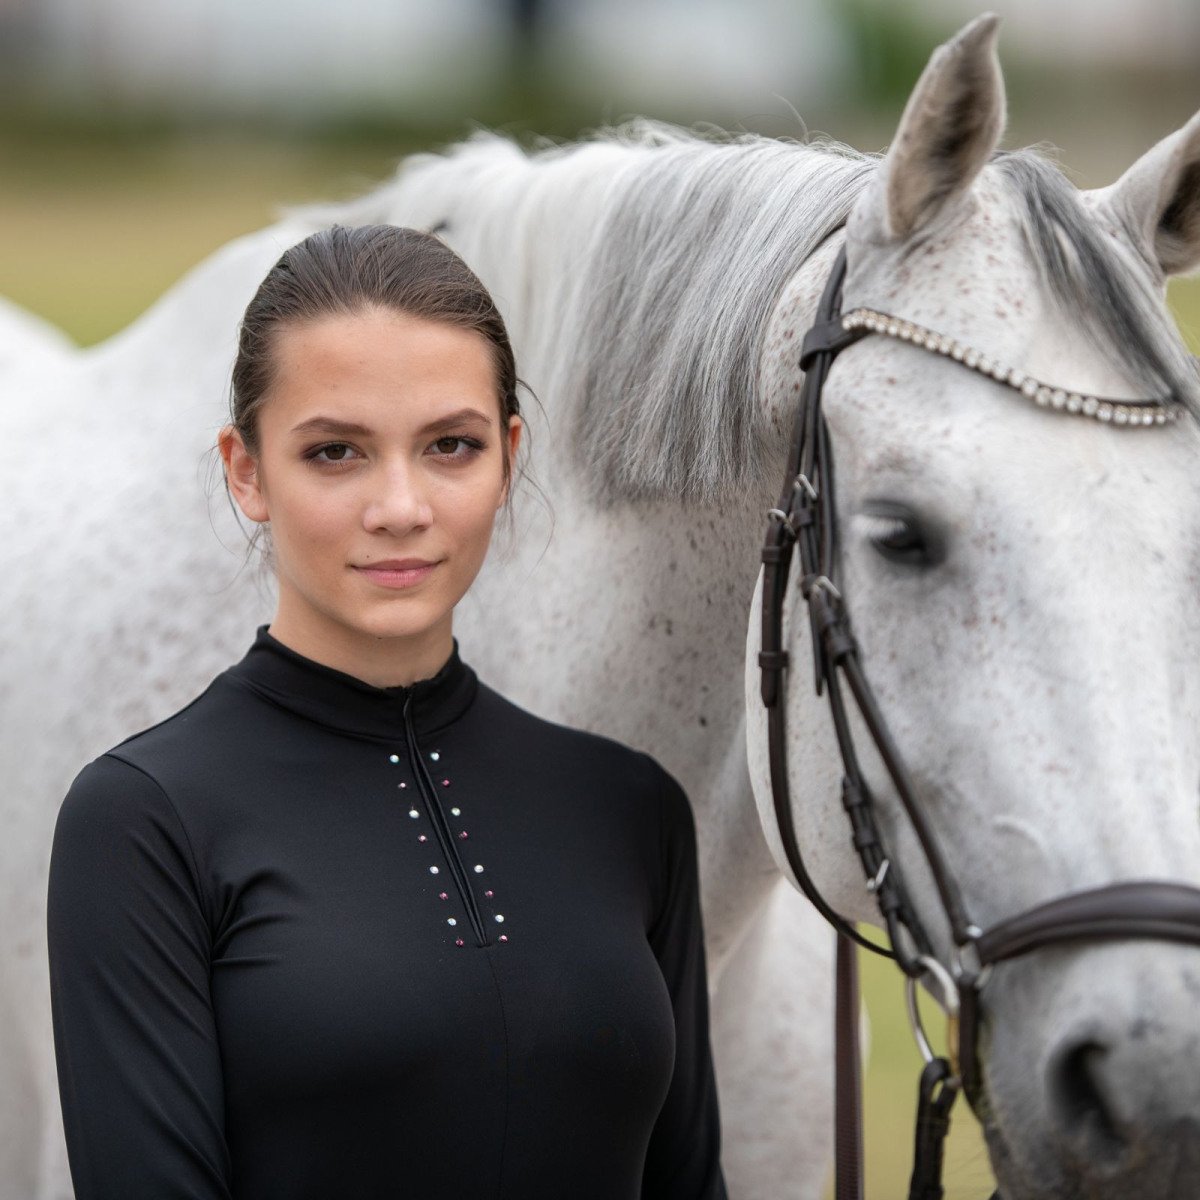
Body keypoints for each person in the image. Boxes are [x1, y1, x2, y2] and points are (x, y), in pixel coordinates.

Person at [45, 223, 728, 1200]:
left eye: (451, 445)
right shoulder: (146, 821)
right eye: (336, 453)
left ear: (508, 458)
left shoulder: (630, 808)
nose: (401, 506)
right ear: (247, 471)